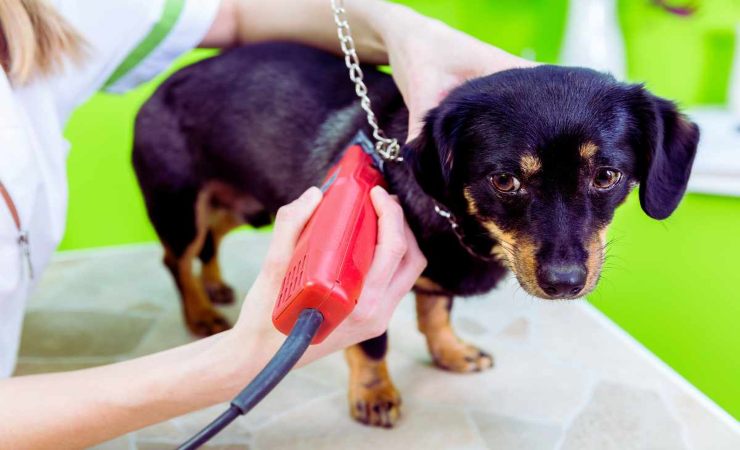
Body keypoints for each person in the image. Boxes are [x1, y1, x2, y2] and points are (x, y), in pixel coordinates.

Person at [0, 0, 533, 447]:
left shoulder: (45, 13)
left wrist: (408, 30)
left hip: (248, 112)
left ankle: (438, 334)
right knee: (189, 236)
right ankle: (192, 282)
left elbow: (230, 10)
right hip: (185, 125)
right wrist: (234, 361)